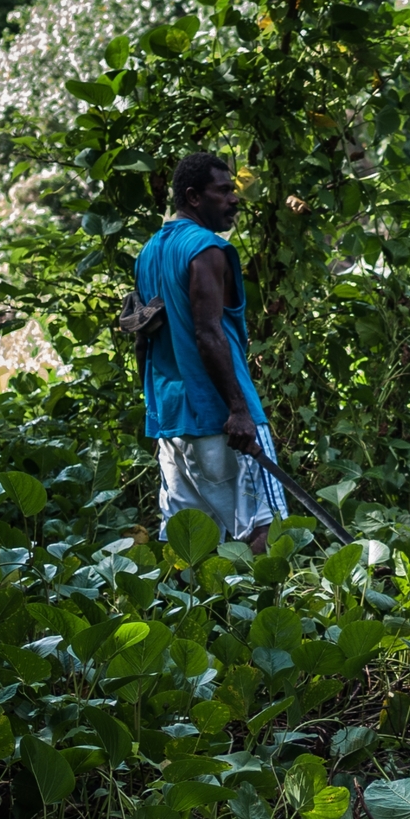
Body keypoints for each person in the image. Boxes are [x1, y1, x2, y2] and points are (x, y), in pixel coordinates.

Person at [138, 152, 285, 553]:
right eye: (223, 191)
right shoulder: (206, 250)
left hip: (174, 421)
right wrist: (238, 411)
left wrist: (154, 408)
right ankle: (266, 611)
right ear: (194, 197)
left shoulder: (149, 251)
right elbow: (208, 333)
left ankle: (198, 616)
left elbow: (142, 336)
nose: (234, 199)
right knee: (261, 528)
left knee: (189, 541)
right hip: (220, 417)